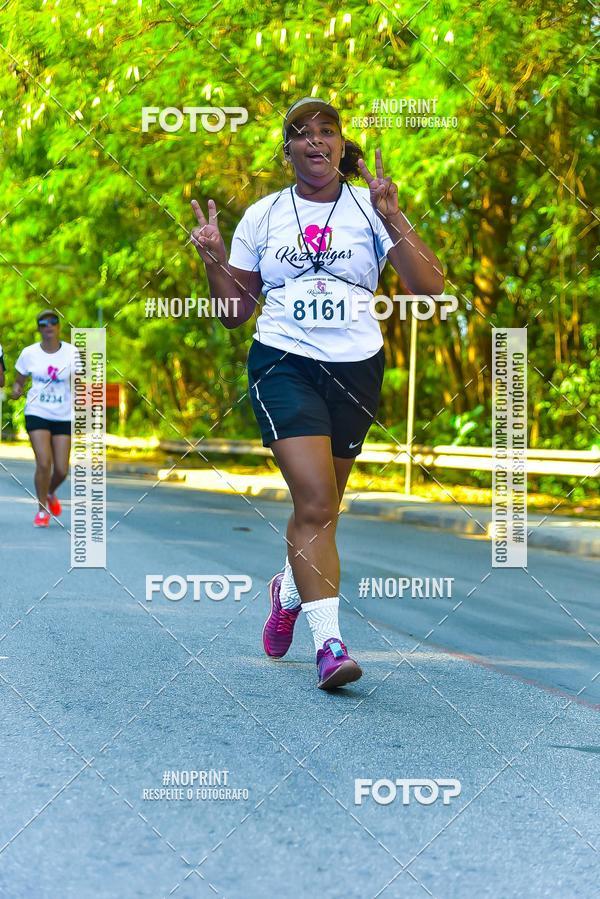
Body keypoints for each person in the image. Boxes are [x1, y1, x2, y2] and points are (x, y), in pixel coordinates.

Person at [190, 97, 444, 689]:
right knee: (313, 502)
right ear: (289, 152)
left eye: (326, 132)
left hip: (356, 367)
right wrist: (213, 259)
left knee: (325, 508)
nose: (316, 142)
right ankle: (329, 643)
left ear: (339, 144)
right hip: (283, 363)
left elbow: (429, 286)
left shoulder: (369, 207)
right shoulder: (263, 216)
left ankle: (287, 587)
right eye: (303, 134)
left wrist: (394, 216)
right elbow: (233, 313)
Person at [11, 310, 77, 527]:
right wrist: (17, 390)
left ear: (58, 327)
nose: (48, 326)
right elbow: (18, 381)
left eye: (53, 322)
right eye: (43, 323)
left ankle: (49, 492)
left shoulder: (72, 352)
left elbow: (80, 384)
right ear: (39, 329)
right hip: (37, 411)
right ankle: (42, 509)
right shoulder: (29, 354)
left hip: (63, 414)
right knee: (43, 462)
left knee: (61, 469)